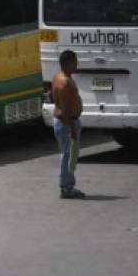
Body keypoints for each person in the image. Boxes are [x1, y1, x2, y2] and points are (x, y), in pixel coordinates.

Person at [52, 50, 85, 199]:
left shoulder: (58, 77)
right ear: (67, 63)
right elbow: (65, 110)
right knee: (68, 156)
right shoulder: (65, 83)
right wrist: (72, 128)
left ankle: (68, 185)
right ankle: (67, 188)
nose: (76, 64)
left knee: (68, 155)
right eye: (74, 61)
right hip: (67, 123)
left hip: (63, 122)